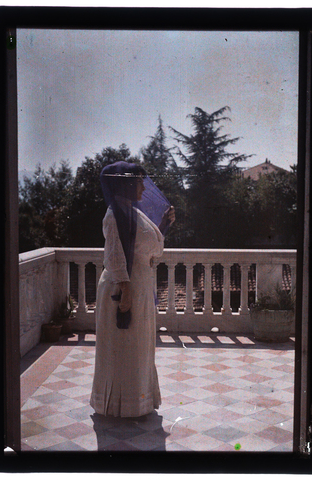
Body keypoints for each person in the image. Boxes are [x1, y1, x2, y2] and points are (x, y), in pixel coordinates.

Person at [90, 161, 175, 418]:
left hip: (139, 285)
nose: (142, 186)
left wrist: (162, 224)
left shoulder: (133, 213)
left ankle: (138, 402)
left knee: (137, 346)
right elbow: (114, 255)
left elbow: (147, 246)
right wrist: (125, 292)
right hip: (124, 288)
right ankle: (120, 406)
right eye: (138, 181)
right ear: (125, 184)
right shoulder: (115, 214)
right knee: (124, 346)